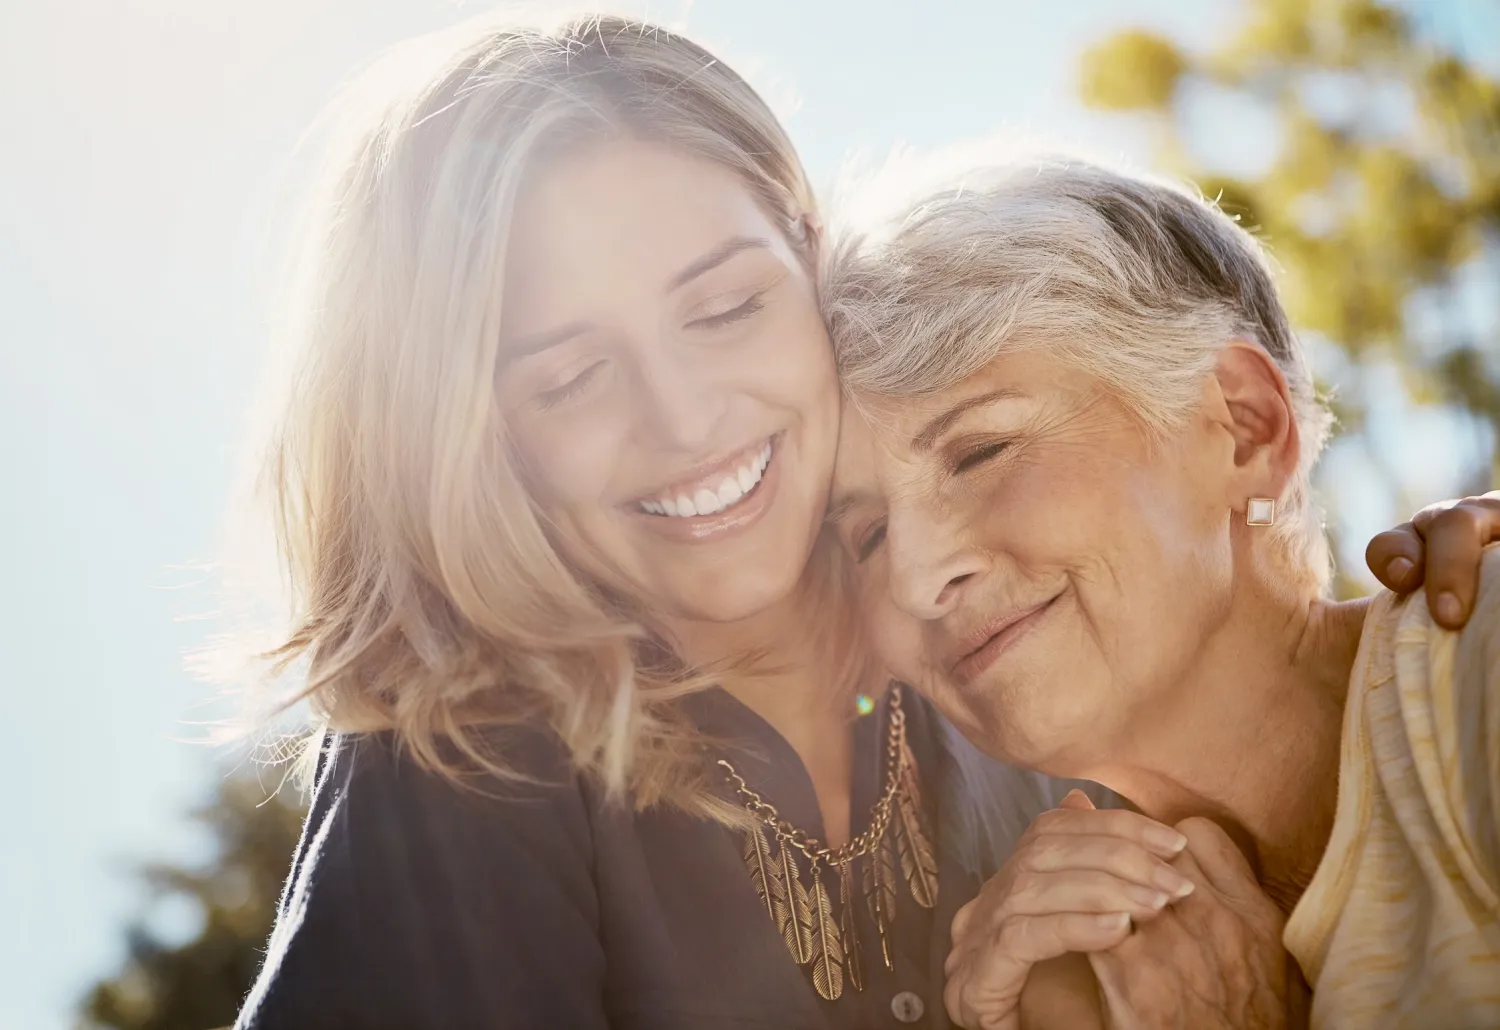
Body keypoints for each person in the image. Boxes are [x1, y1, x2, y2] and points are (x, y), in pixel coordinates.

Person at [228, 13, 1493, 1029]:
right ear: (476, 440)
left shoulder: (1062, 711)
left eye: (724, 308)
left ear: (803, 260)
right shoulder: (471, 759)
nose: (685, 421)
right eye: (566, 378)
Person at [821, 154, 1500, 1028]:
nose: (916, 579)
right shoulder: (1073, 976)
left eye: (981, 452)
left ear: (1242, 426)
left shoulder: (1475, 670)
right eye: (867, 537)